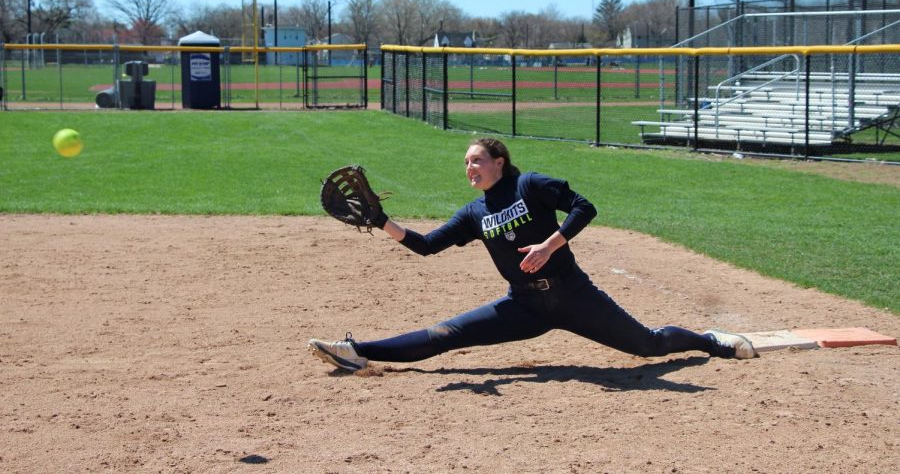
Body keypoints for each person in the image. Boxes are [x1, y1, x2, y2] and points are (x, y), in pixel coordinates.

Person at [309, 137, 756, 372]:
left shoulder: (530, 185)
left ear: (499, 162)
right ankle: (355, 350)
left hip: (574, 296)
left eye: (477, 160)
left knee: (648, 345)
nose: (470, 167)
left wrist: (551, 243)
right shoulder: (474, 213)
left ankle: (708, 340)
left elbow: (585, 206)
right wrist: (383, 222)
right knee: (444, 336)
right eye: (466, 163)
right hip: (523, 305)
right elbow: (427, 246)